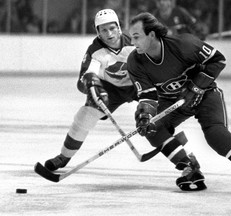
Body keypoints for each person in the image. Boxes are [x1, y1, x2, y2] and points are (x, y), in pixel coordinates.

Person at [44, 9, 206, 191]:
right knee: (84, 115)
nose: (109, 34)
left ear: (119, 27)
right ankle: (64, 157)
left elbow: (159, 58)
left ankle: (186, 162)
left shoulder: (134, 42)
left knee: (155, 123)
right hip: (111, 90)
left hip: (141, 84)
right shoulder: (95, 51)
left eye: (112, 28)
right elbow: (85, 77)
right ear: (97, 32)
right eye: (103, 30)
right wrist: (91, 85)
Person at [127, 12, 231, 195]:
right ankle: (190, 169)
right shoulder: (135, 61)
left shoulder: (184, 44)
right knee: (152, 128)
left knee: (215, 134)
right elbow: (147, 96)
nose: (132, 42)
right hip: (172, 101)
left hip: (205, 94)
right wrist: (145, 114)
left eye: (136, 37)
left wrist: (196, 87)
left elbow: (218, 60)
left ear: (151, 34)